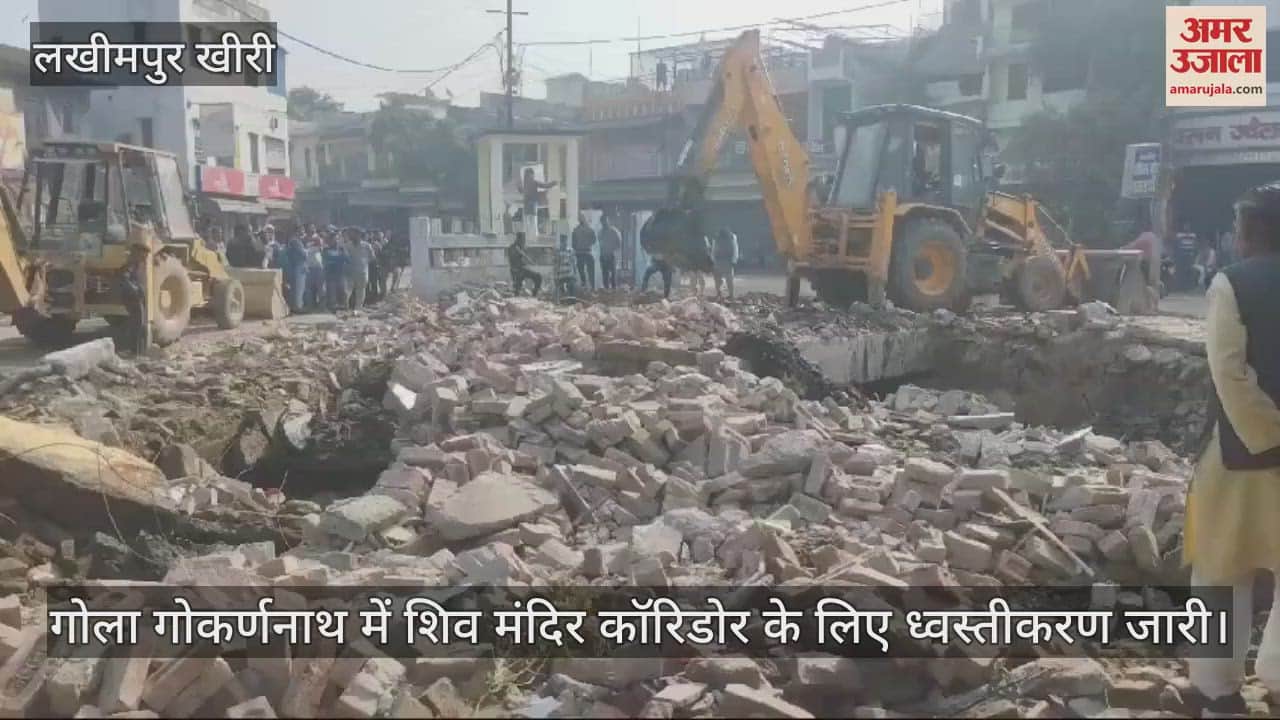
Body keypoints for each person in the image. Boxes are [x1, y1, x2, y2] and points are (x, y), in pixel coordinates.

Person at [1184, 182, 1280, 717]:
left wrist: (1267, 434)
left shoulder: (1231, 284)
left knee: (1221, 572)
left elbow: (1229, 374)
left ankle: (1218, 690)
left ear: (1252, 230)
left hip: (1237, 457)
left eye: (1240, 227)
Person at [1126, 225, 1163, 291]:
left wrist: (1121, 248)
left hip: (1147, 263)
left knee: (1146, 283)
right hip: (1154, 263)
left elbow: (1133, 245)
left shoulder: (1145, 236)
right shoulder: (1153, 237)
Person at [521, 168, 558, 234]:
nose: (533, 175)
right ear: (531, 174)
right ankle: (534, 235)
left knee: (527, 221)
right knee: (533, 220)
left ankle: (527, 235)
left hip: (526, 203)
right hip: (532, 203)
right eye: (532, 174)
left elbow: (522, 192)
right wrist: (554, 183)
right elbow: (545, 185)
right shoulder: (534, 182)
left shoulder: (524, 183)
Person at [346, 228, 374, 311]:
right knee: (347, 290)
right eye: (351, 234)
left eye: (354, 234)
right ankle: (345, 307)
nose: (352, 236)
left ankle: (358, 309)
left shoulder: (366, 245)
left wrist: (364, 262)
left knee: (360, 291)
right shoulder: (347, 245)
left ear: (359, 235)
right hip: (350, 272)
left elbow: (372, 257)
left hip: (362, 272)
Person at [507, 232, 542, 296]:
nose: (524, 241)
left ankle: (531, 293)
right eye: (523, 239)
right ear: (519, 239)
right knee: (538, 276)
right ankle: (533, 294)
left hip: (519, 270)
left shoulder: (517, 247)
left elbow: (523, 258)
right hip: (519, 270)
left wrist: (529, 262)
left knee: (536, 276)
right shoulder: (514, 248)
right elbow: (518, 258)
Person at [284, 228, 308, 313]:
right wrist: (307, 251)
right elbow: (304, 254)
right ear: (297, 232)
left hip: (296, 266)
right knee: (298, 288)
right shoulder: (295, 241)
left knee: (297, 288)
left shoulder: (294, 241)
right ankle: (297, 307)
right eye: (302, 231)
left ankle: (296, 306)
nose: (303, 232)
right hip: (298, 266)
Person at [322, 234, 348, 311]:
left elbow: (347, 259)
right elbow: (326, 259)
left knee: (342, 291)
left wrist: (339, 256)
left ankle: (343, 307)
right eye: (333, 239)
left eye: (336, 239)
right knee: (332, 292)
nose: (335, 241)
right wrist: (338, 257)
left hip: (341, 273)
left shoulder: (342, 249)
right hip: (330, 274)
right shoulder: (326, 250)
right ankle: (332, 308)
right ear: (329, 241)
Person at [571, 212, 597, 291]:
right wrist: (587, 243)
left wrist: (578, 247)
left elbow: (573, 244)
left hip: (581, 253)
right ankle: (591, 287)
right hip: (587, 252)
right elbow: (594, 241)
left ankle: (586, 287)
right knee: (589, 272)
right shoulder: (590, 229)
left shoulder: (576, 230)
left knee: (582, 272)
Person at [713, 227, 739, 299]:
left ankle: (720, 293)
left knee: (718, 279)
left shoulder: (717, 238)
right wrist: (734, 260)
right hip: (726, 261)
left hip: (721, 260)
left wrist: (713, 260)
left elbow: (714, 249)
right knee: (728, 279)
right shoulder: (732, 237)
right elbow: (735, 249)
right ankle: (730, 294)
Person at [599, 214, 622, 290]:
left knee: (613, 274)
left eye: (605, 221)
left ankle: (614, 290)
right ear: (601, 222)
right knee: (604, 274)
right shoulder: (600, 232)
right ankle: (606, 291)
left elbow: (619, 243)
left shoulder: (614, 231)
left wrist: (612, 251)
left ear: (608, 221)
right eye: (602, 222)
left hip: (612, 255)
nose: (604, 223)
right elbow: (600, 244)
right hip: (603, 255)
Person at [305, 232, 325, 310]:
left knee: (320, 289)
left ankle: (321, 306)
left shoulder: (319, 248)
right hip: (310, 269)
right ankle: (311, 305)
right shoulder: (309, 248)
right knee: (310, 289)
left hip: (319, 269)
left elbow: (321, 247)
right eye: (315, 240)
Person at [555, 234, 577, 298]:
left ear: (567, 241)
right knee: (562, 290)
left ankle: (572, 299)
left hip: (569, 274)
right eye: (562, 241)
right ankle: (562, 301)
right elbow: (556, 264)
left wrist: (575, 273)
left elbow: (574, 262)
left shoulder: (570, 250)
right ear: (560, 241)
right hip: (561, 274)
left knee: (571, 286)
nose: (564, 242)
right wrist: (556, 276)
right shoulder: (557, 251)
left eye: (565, 240)